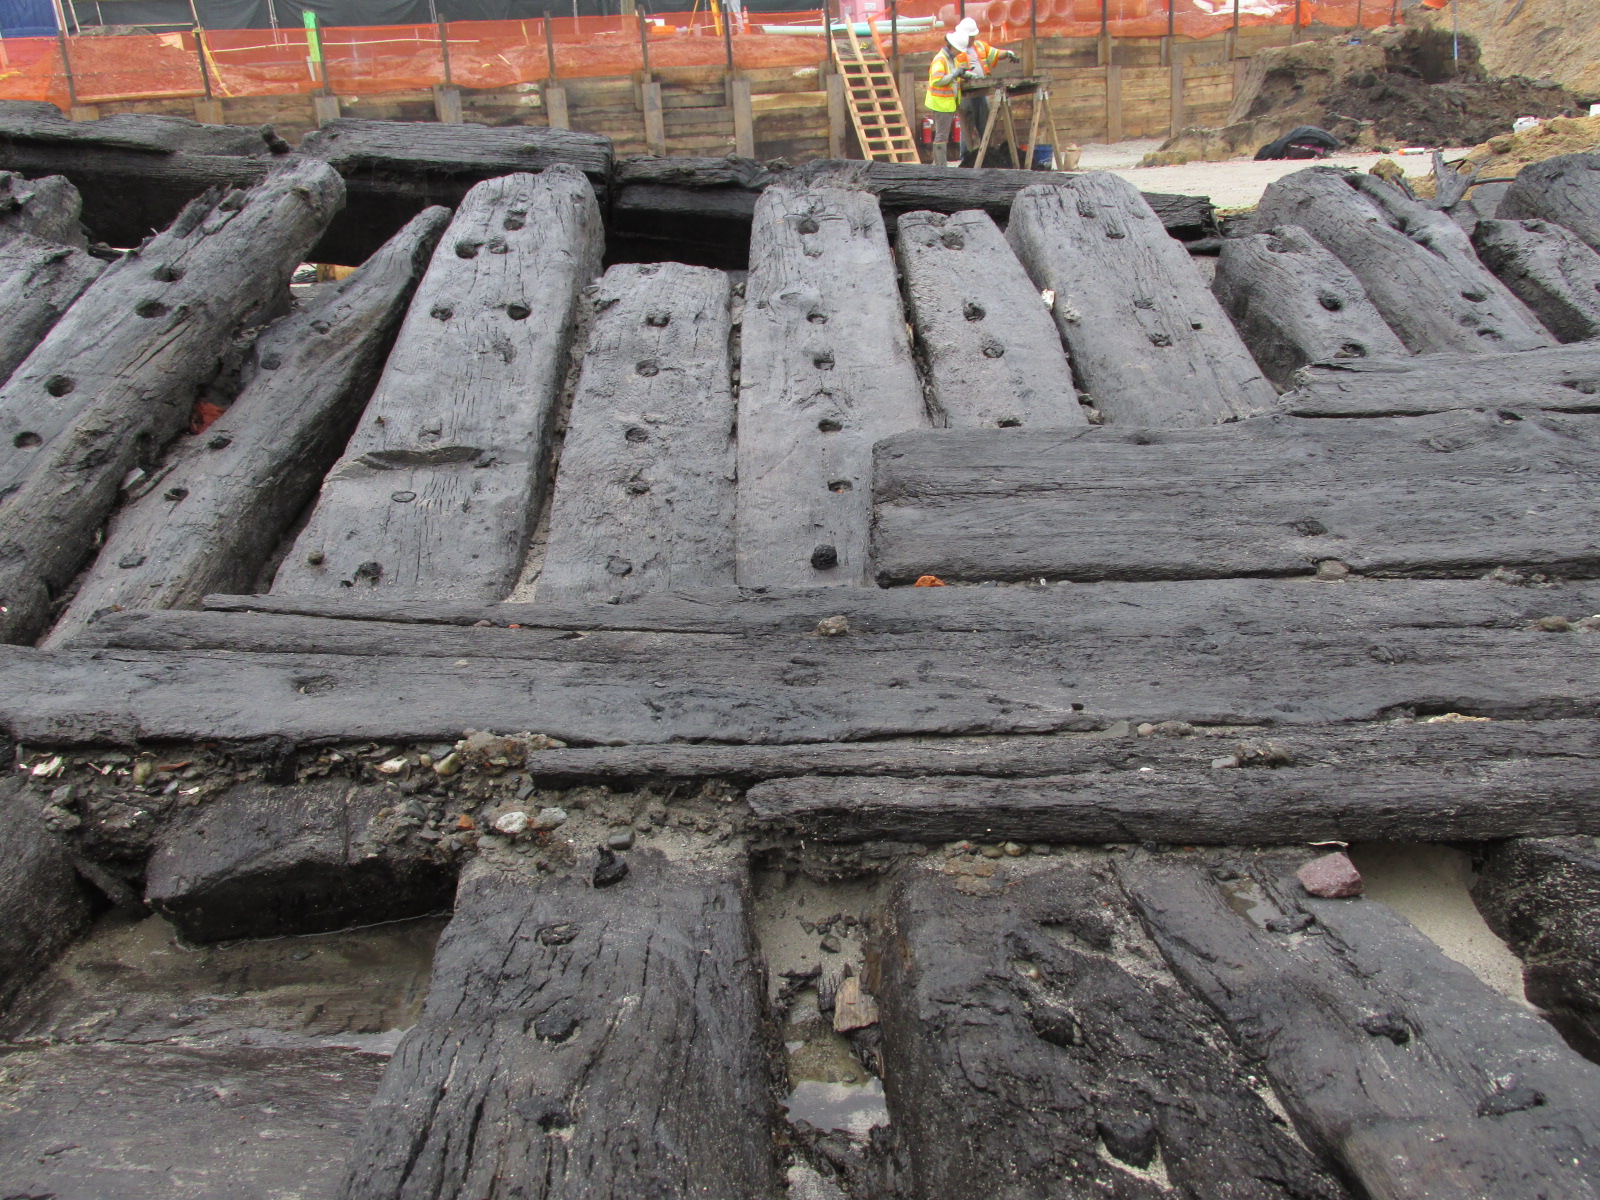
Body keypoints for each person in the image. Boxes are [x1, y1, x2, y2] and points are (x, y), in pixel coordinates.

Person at [924, 17, 1020, 167]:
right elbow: (939, 79)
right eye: (971, 36)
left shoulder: (976, 47)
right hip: (955, 97)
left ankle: (984, 155)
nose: (973, 38)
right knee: (958, 128)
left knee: (982, 122)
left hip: (969, 94)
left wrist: (1007, 53)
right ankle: (954, 162)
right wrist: (958, 75)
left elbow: (993, 53)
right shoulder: (948, 57)